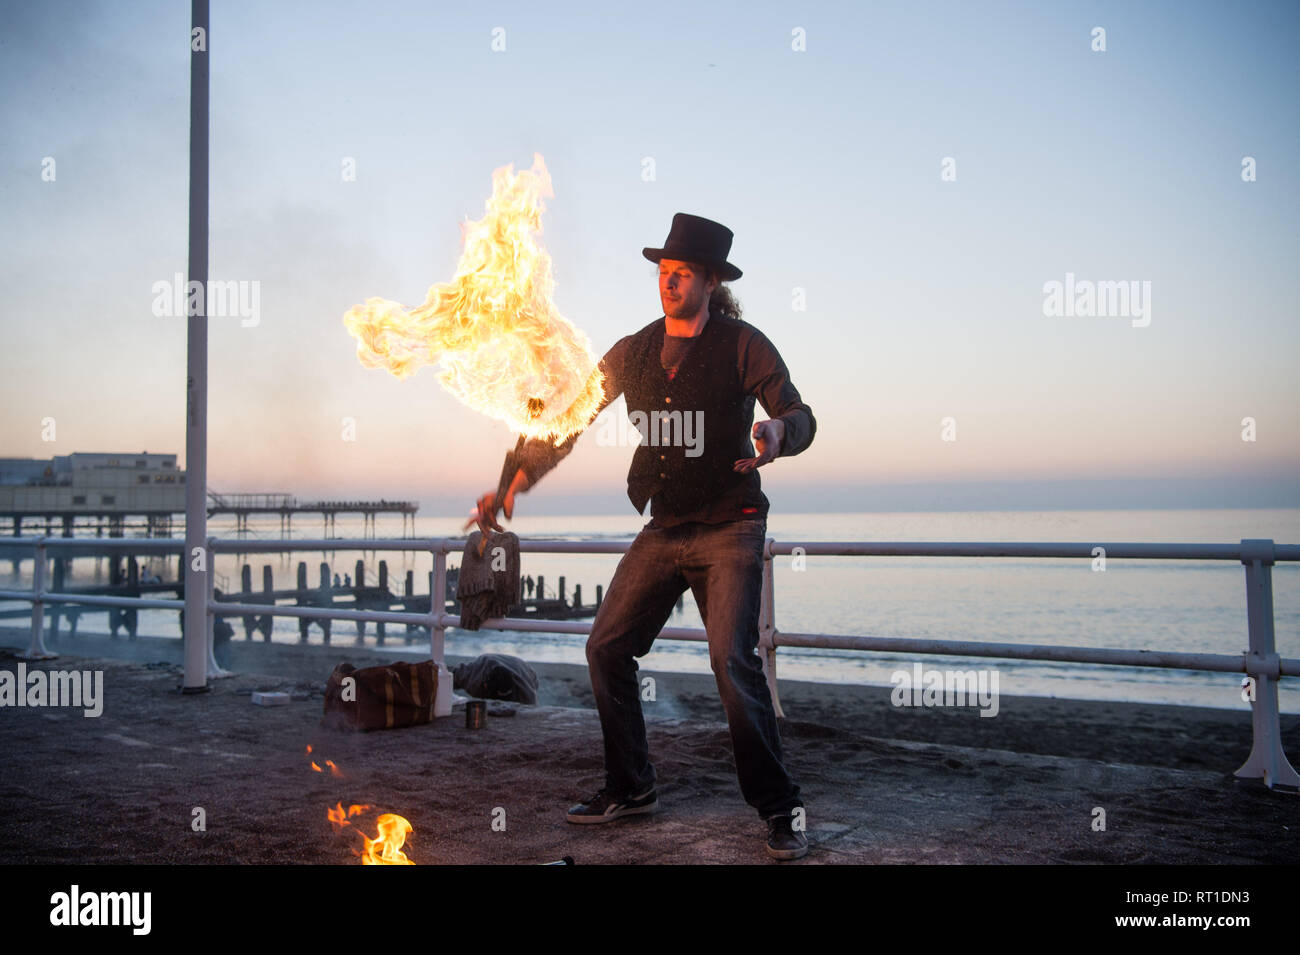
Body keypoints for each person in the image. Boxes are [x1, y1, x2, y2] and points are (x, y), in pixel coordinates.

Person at [466, 213, 816, 861]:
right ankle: (632, 787)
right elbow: (568, 418)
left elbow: (798, 412)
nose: (670, 281)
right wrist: (512, 479)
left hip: (731, 525)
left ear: (711, 281)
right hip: (665, 526)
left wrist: (776, 435)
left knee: (732, 663)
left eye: (683, 272)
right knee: (605, 647)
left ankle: (781, 807)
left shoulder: (743, 345)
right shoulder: (633, 351)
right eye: (663, 271)